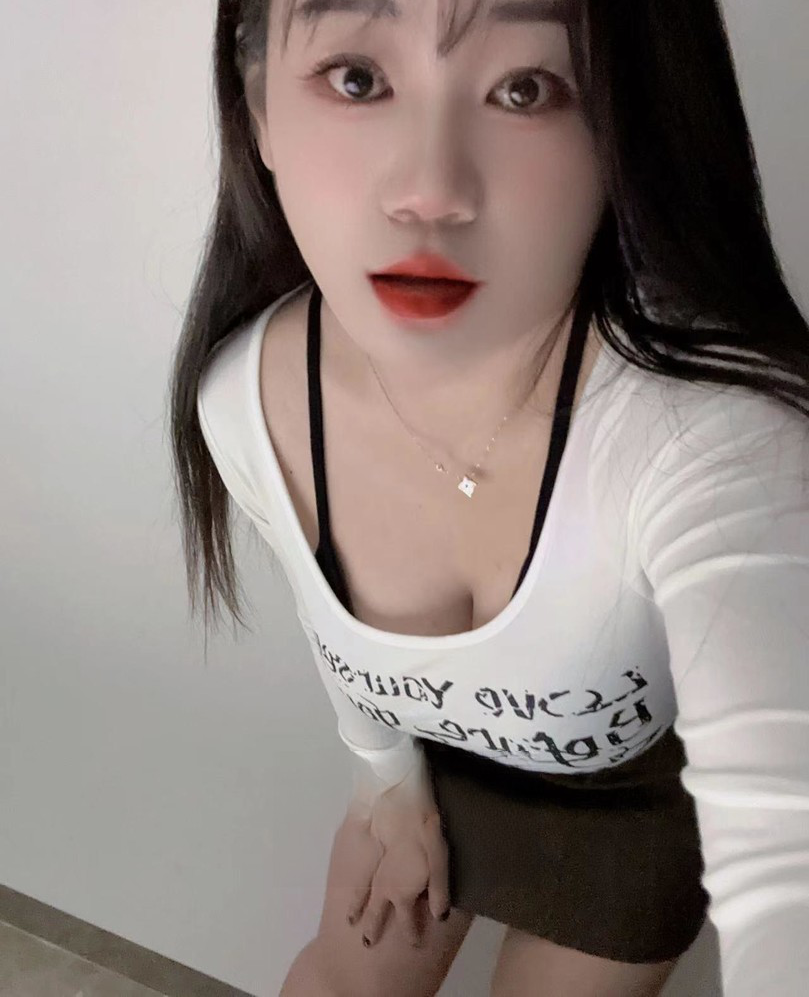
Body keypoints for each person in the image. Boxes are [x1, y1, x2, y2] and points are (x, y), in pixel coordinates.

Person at [169, 1, 809, 994]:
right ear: (258, 110)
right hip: (432, 761)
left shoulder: (713, 439)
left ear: (624, 131)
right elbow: (334, 643)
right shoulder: (243, 404)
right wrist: (388, 782)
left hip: (628, 802)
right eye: (356, 79)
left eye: (525, 88)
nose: (429, 192)